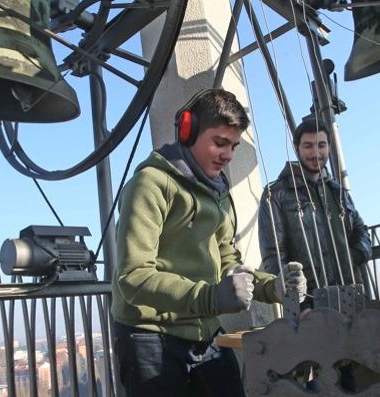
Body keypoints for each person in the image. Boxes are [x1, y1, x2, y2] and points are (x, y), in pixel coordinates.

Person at [110, 88, 306, 397]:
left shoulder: (218, 194)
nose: (228, 155)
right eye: (220, 143)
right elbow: (133, 278)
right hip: (149, 338)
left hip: (205, 332)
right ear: (187, 132)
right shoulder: (149, 184)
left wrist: (274, 288)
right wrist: (211, 298)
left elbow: (228, 262)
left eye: (233, 146)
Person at [258, 117, 373, 309]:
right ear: (297, 148)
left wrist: (356, 254)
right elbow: (274, 257)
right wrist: (297, 306)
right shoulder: (276, 194)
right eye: (308, 146)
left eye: (321, 145)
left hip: (352, 294)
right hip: (311, 304)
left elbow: (360, 228)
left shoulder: (337, 191)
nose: (316, 153)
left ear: (328, 146)